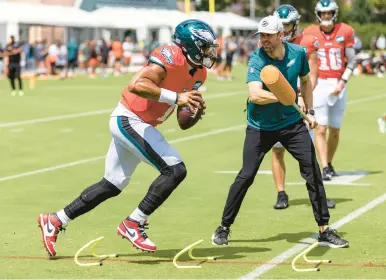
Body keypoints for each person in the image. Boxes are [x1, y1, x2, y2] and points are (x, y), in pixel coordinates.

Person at [37, 19, 218, 257]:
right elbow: (137, 84)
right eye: (204, 47)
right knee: (175, 169)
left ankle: (55, 220)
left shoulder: (200, 73)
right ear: (189, 46)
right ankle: (134, 222)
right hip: (129, 118)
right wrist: (177, 98)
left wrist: (194, 112)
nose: (209, 52)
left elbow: (183, 123)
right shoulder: (171, 56)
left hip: (141, 123)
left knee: (112, 184)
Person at [211, 15, 349, 248]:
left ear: (280, 35)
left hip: (292, 125)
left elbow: (305, 82)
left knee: (312, 171)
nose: (263, 40)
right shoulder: (257, 59)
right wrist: (284, 97)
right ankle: (223, 227)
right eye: (261, 35)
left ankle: (324, 229)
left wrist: (311, 111)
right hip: (260, 127)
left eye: (268, 36)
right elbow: (255, 94)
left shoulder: (298, 54)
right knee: (246, 175)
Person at [270, 4, 335, 210]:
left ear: (295, 24)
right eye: (281, 25)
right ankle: (281, 193)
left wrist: (302, 99)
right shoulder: (269, 42)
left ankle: (319, 195)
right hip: (276, 102)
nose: (284, 29)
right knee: (277, 150)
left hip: (299, 102)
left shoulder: (307, 42)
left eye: (287, 25)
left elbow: (312, 76)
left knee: (307, 153)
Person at [303, 0, 357, 181]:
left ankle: (329, 162)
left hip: (339, 83)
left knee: (335, 129)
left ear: (335, 13)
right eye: (323, 13)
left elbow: (353, 60)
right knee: (321, 128)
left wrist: (342, 82)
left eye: (329, 13)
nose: (326, 16)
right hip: (319, 83)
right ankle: (324, 166)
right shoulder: (310, 32)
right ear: (318, 14)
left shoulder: (345, 31)